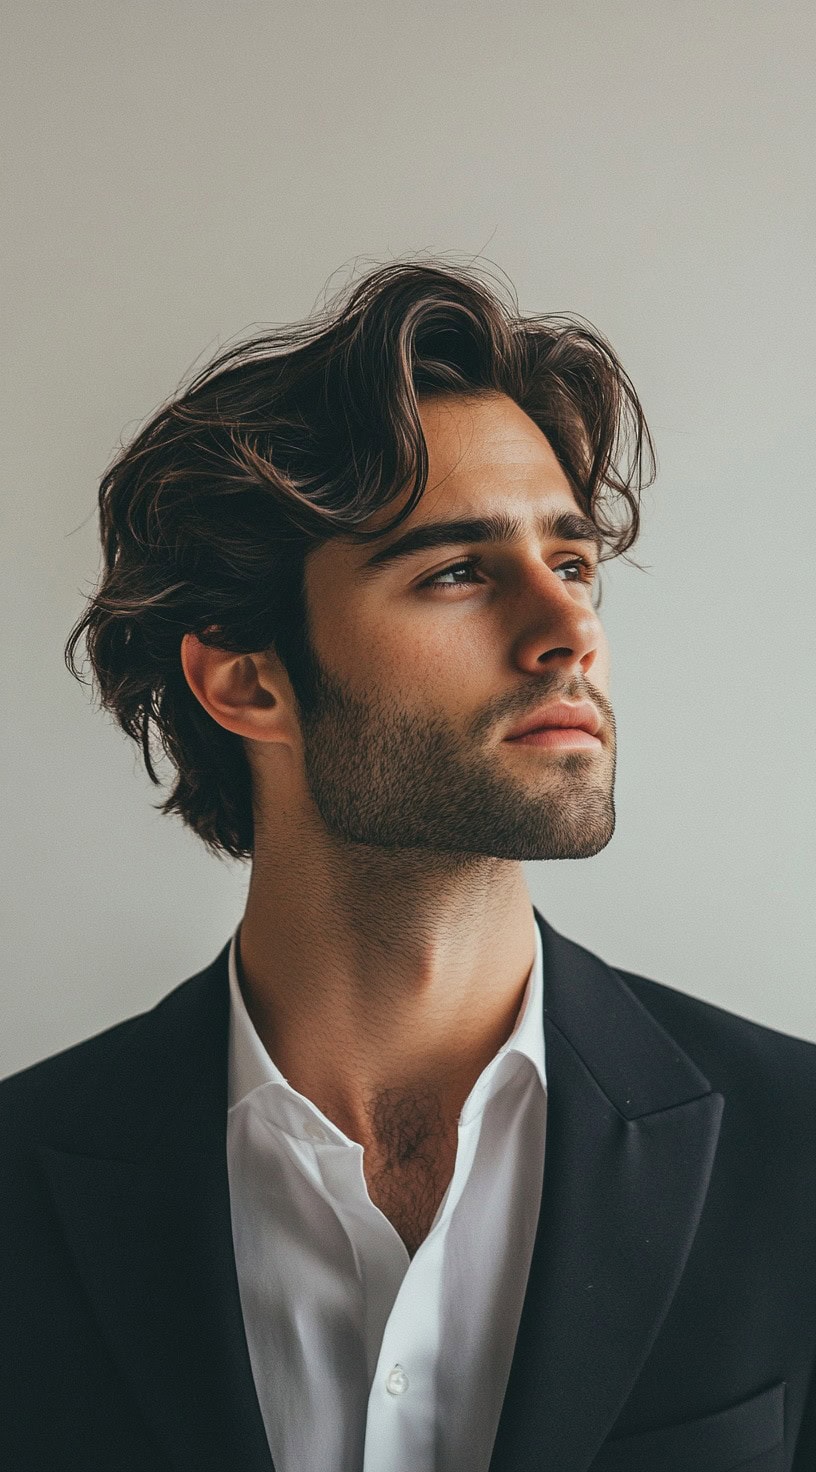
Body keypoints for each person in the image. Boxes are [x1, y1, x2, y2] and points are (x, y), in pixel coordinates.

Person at [1, 259, 814, 1472]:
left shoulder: (793, 1148)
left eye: (574, 561)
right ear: (248, 678)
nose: (569, 629)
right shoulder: (24, 1188)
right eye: (457, 571)